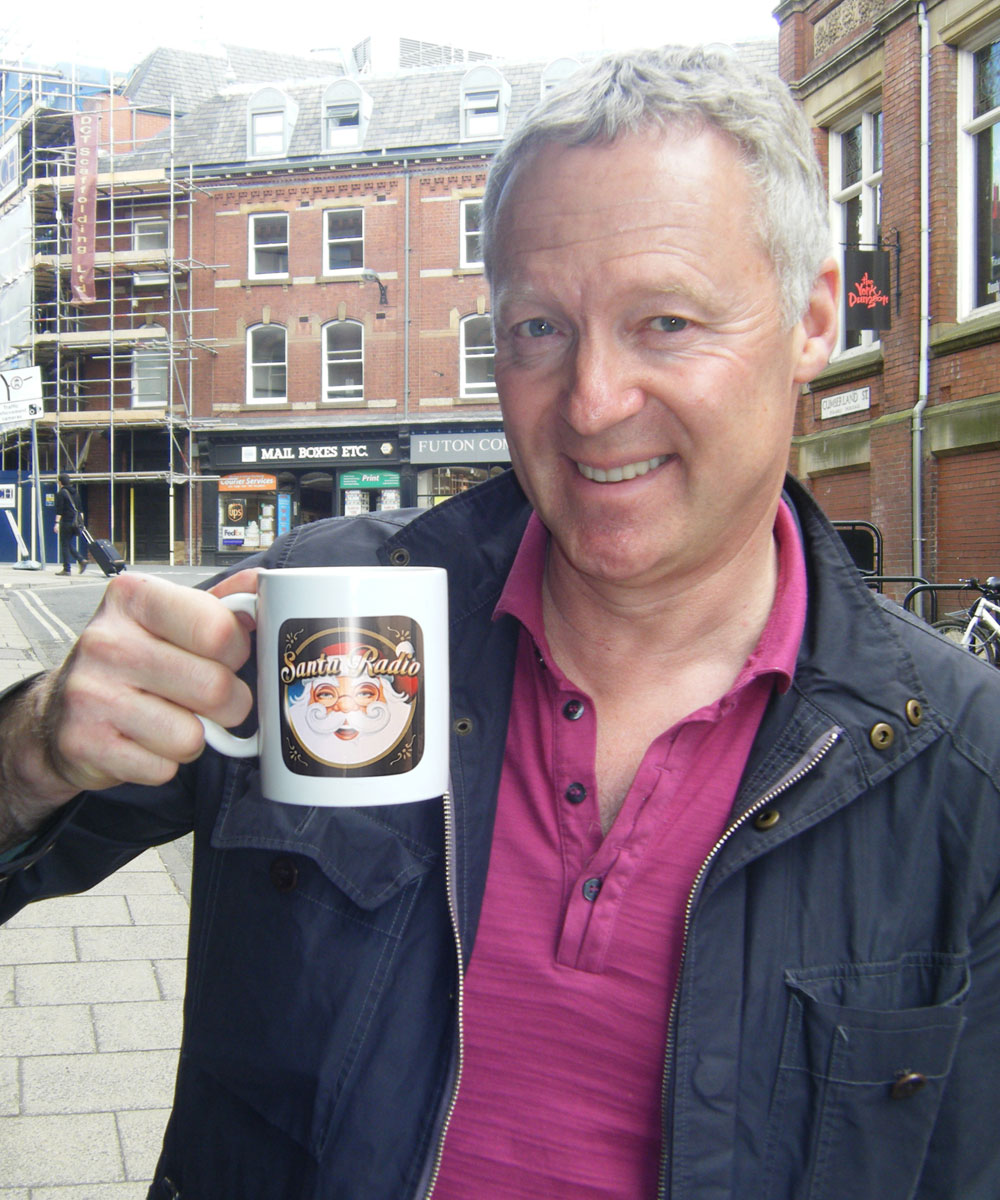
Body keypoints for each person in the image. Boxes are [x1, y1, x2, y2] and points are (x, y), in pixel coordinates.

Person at [0, 46, 998, 1200]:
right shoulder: (323, 609)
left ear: (812, 317)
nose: (590, 402)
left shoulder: (955, 762)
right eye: (537, 329)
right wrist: (36, 747)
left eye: (665, 322)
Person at [53, 471, 87, 575]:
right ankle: (81, 560)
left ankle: (67, 569)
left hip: (66, 522)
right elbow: (80, 509)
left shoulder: (61, 493)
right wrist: (81, 523)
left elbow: (60, 510)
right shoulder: (75, 493)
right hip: (76, 522)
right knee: (67, 543)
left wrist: (56, 523)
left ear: (60, 482)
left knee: (64, 545)